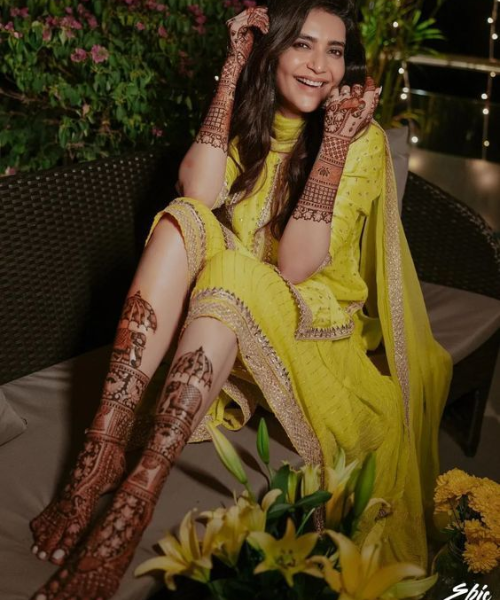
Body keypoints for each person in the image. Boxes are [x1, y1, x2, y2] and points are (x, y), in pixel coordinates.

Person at [30, 1, 452, 598]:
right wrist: (232, 71)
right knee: (181, 220)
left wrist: (333, 146)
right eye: (303, 45)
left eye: (335, 51)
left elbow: (298, 265)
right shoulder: (253, 112)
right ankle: (98, 456)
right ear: (272, 50)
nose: (320, 66)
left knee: (230, 268)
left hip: (310, 324)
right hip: (231, 308)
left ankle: (134, 501)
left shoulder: (361, 141)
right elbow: (198, 194)